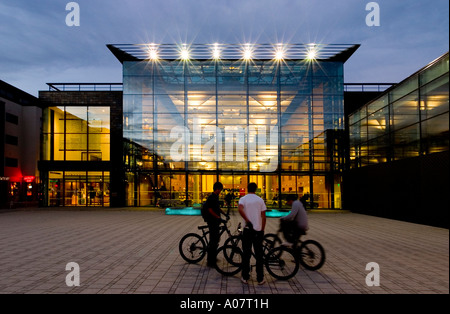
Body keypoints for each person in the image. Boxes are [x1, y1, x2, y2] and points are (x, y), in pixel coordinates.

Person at [238, 182, 267, 285]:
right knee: (259, 255)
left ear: (247, 188)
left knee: (246, 254)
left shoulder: (243, 199)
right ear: (256, 189)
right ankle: (260, 278)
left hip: (247, 230)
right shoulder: (260, 200)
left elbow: (240, 209)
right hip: (258, 231)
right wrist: (262, 230)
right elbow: (263, 216)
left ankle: (245, 277)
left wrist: (247, 220)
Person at [202, 182, 226, 267]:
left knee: (216, 240)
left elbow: (217, 208)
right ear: (217, 189)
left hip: (215, 221)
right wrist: (218, 217)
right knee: (213, 241)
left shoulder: (215, 197)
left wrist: (224, 214)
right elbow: (210, 210)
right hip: (212, 221)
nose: (221, 191)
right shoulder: (211, 197)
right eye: (220, 190)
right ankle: (210, 261)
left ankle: (213, 257)